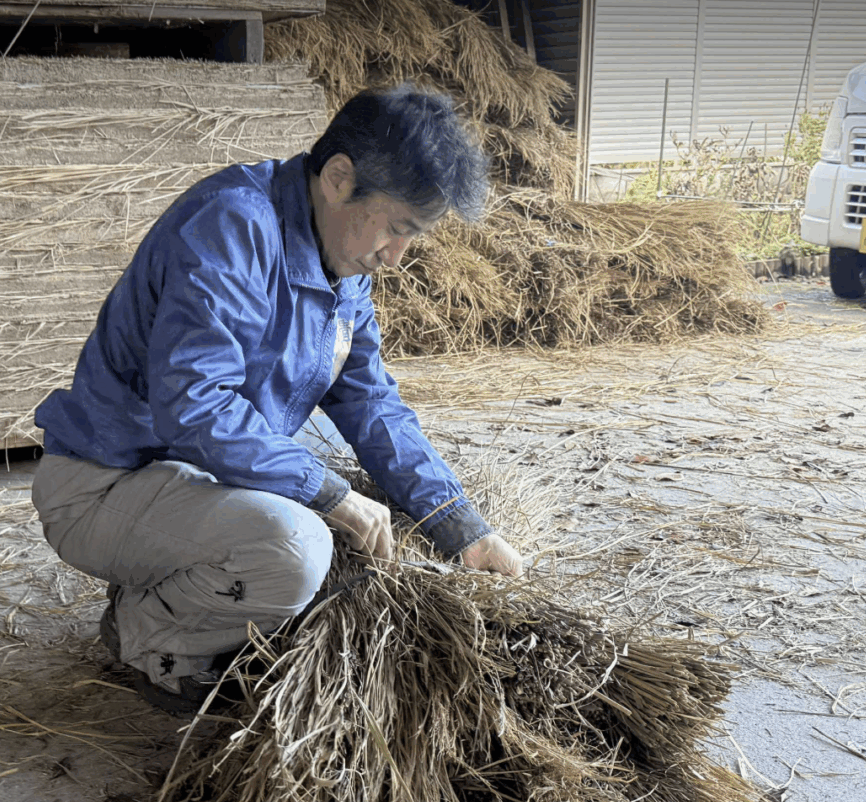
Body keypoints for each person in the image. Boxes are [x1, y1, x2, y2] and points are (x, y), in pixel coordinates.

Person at [31, 83, 523, 715]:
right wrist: (331, 494)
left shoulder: (340, 267)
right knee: (300, 547)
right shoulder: (233, 225)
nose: (398, 257)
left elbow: (374, 407)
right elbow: (195, 405)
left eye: (413, 238)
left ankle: (174, 588)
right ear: (340, 177)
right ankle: (148, 635)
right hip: (105, 484)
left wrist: (463, 530)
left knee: (343, 553)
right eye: (397, 230)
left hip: (193, 484)